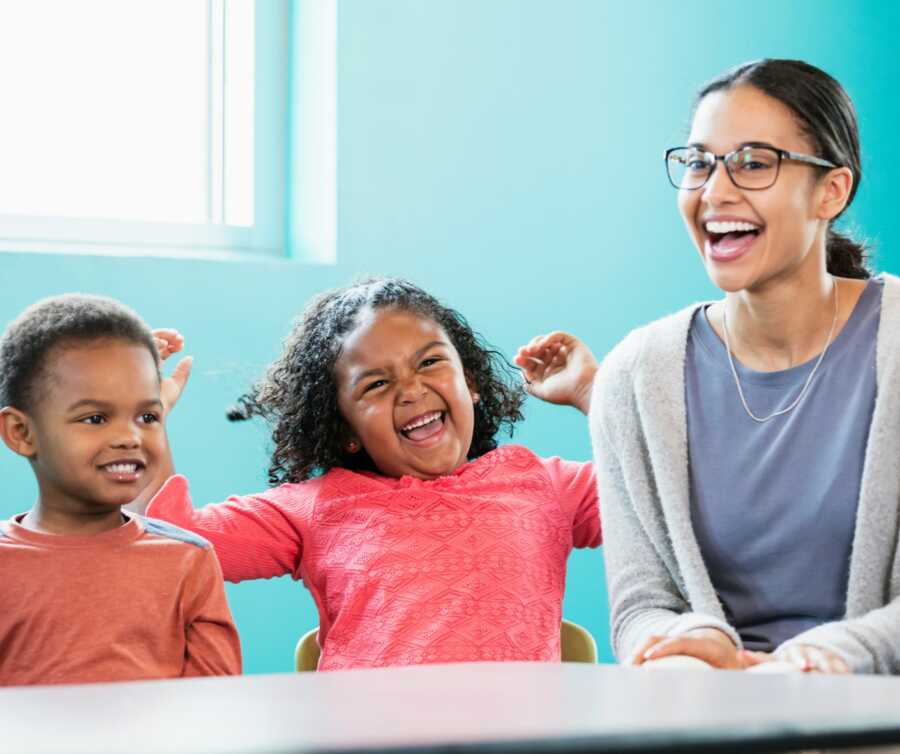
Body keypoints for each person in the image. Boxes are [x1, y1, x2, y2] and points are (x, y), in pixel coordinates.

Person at [517, 59, 900, 675]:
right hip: (712, 719)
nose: (714, 193)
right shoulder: (636, 376)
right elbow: (641, 606)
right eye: (698, 163)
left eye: (753, 162)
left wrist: (817, 663)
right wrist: (693, 648)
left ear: (831, 190)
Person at [135, 278, 601, 671]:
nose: (412, 390)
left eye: (430, 362)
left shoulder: (542, 485)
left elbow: (664, 496)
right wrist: (140, 418)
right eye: (377, 384)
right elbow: (171, 545)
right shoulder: (316, 507)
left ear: (471, 382)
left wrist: (592, 392)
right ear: (345, 430)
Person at [0, 295, 242, 686]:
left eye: (147, 416)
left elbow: (212, 710)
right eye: (95, 418)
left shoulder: (188, 560)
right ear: (21, 433)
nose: (130, 437)